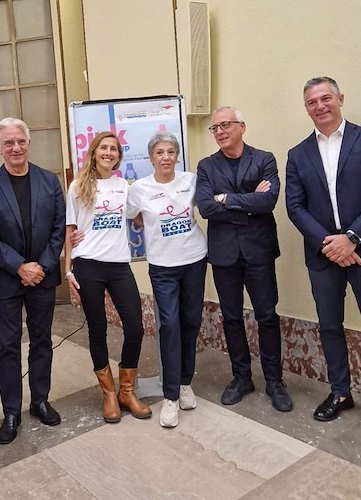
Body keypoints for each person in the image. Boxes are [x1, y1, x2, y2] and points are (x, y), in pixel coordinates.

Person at [286, 77, 361, 437]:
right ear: (307, 108)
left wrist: (352, 239)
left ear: (340, 99)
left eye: (325, 98)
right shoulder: (297, 154)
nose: (320, 106)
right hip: (323, 256)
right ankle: (340, 392)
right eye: (312, 102)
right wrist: (331, 244)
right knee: (330, 327)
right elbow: (295, 207)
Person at [0, 118, 65, 445]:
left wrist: (41, 265)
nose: (15, 148)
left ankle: (40, 400)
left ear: (28, 143)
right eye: (8, 143)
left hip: (43, 275)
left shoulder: (49, 180)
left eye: (20, 141)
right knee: (7, 348)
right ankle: (11, 410)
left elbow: (59, 228)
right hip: (5, 281)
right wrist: (19, 267)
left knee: (42, 341)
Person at [196, 106, 293, 412]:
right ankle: (241, 378)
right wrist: (248, 202)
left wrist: (227, 199)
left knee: (266, 316)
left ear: (242, 127)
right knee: (232, 317)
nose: (220, 131)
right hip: (224, 254)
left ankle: (275, 381)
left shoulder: (264, 159)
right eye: (215, 128)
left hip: (259, 252)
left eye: (226, 125)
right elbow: (205, 208)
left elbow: (268, 201)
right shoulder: (206, 166)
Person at [65, 131, 152, 424]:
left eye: (114, 149)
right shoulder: (78, 186)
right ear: (94, 151)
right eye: (104, 147)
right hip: (87, 265)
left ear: (119, 156)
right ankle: (109, 394)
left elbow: (138, 217)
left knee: (135, 329)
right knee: (98, 329)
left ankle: (127, 391)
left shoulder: (124, 186)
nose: (109, 152)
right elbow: (70, 230)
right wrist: (68, 271)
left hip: (118, 265)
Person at [126, 131, 207, 428]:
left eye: (171, 152)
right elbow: (133, 217)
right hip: (162, 267)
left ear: (177, 155)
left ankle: (185, 383)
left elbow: (206, 206)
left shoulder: (191, 181)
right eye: (159, 152)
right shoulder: (139, 189)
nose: (165, 157)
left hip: (195, 260)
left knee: (190, 322)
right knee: (169, 325)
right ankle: (170, 396)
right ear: (151, 158)